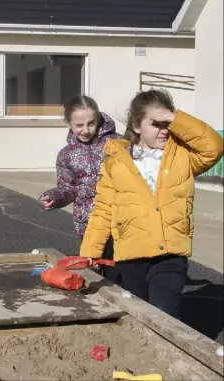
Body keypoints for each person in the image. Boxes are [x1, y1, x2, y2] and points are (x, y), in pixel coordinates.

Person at [80, 89, 223, 318]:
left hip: (170, 254)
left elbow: (214, 147)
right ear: (137, 126)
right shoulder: (115, 163)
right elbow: (103, 211)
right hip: (131, 255)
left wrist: (178, 119)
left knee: (162, 312)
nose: (164, 130)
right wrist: (90, 252)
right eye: (156, 123)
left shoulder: (183, 157)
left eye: (168, 123)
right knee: (138, 313)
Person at [39, 95, 121, 283]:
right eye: (79, 125)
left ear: (99, 119)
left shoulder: (118, 145)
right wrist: (54, 197)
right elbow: (68, 188)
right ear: (68, 123)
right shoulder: (67, 155)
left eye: (91, 123)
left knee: (118, 274)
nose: (85, 130)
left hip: (119, 220)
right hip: (88, 224)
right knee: (92, 275)